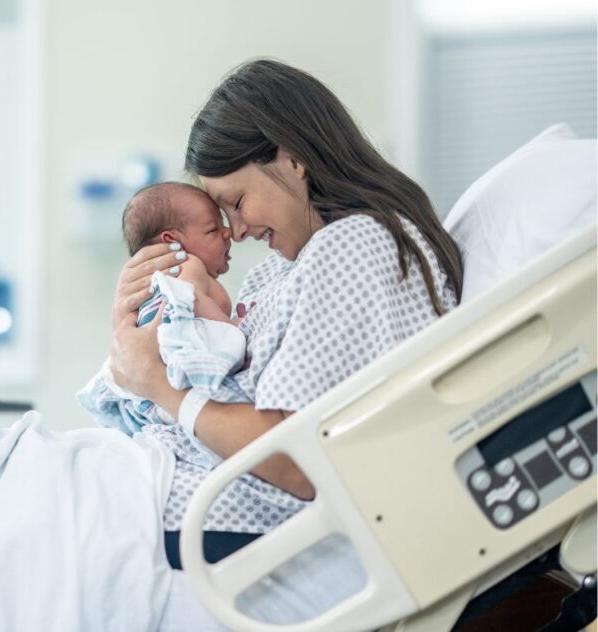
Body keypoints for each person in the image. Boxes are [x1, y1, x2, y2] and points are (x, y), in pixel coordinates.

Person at [107, 58, 463, 569]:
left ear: (293, 160)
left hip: (205, 517)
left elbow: (297, 461)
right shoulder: (281, 270)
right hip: (159, 477)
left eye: (237, 201)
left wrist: (157, 384)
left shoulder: (357, 246)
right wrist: (142, 323)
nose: (237, 230)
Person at [122, 182, 234, 323]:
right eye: (212, 229)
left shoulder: (161, 284)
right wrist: (232, 327)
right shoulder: (188, 265)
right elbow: (193, 302)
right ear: (173, 242)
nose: (228, 232)